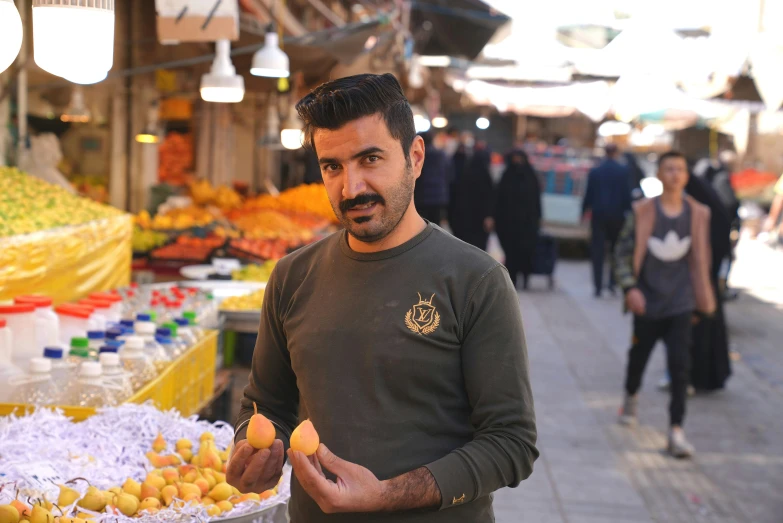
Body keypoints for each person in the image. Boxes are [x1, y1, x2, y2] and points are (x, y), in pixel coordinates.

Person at [227, 74, 538, 523]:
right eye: (332, 166)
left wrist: (388, 494)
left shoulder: (477, 280)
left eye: (370, 158)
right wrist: (254, 450)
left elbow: (511, 443)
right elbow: (265, 404)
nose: (351, 188)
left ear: (415, 157)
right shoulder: (292, 276)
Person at [614, 151, 716, 458]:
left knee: (680, 367)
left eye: (680, 169)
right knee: (638, 358)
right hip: (648, 302)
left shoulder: (698, 213)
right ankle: (631, 396)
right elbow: (621, 252)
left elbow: (702, 259)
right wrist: (630, 288)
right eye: (669, 168)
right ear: (658, 174)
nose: (675, 174)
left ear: (686, 175)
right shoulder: (643, 211)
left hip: (681, 303)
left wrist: (702, 301)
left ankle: (676, 431)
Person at [685, 173, 732, 391]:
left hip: (703, 281)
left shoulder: (702, 212)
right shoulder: (711, 207)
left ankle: (698, 377)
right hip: (707, 279)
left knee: (701, 331)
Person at [583, 144, 633, 297]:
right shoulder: (623, 171)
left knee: (597, 252)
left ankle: (598, 286)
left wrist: (584, 211)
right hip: (617, 216)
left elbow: (589, 194)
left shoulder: (596, 171)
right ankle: (612, 283)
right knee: (615, 250)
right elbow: (627, 195)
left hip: (598, 216)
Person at [495, 149, 542, 289]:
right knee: (511, 252)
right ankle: (513, 279)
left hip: (528, 223)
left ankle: (526, 278)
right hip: (508, 223)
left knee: (526, 251)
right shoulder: (506, 177)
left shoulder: (531, 177)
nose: (517, 162)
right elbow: (499, 200)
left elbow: (536, 201)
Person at [450, 143, 495, 250]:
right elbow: (489, 197)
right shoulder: (486, 177)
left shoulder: (464, 175)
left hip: (465, 218)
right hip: (480, 219)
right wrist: (489, 215)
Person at [413, 131, 451, 225]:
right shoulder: (442, 155)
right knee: (436, 226)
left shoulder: (417, 156)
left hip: (421, 196)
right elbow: (450, 175)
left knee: (421, 226)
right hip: (438, 197)